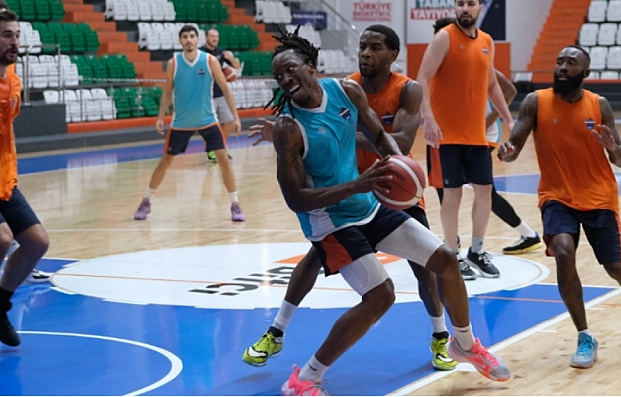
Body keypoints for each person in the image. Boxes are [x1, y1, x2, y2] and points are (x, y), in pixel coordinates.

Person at [264, 27, 510, 395]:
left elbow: (381, 137)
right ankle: (305, 378)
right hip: (330, 221)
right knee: (381, 295)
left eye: (290, 69)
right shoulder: (288, 127)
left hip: (367, 205)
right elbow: (297, 199)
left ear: (311, 68)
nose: (285, 79)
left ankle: (464, 344)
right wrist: (357, 185)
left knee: (445, 259)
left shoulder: (346, 91)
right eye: (278, 75)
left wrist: (399, 165)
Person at [242, 25, 456, 372]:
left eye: (375, 47)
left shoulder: (405, 89)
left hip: (390, 183)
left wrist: (342, 134)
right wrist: (296, 138)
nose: (365, 53)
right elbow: (309, 154)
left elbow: (400, 143)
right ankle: (277, 331)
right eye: (362, 47)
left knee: (427, 265)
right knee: (316, 258)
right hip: (343, 192)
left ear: (392, 55)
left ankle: (440, 335)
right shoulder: (341, 87)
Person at [498, 45, 621, 368]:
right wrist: (508, 151)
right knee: (563, 252)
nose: (562, 67)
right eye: (559, 61)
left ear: (585, 73)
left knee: (615, 267)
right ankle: (584, 335)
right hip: (557, 195)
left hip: (599, 196)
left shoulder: (599, 105)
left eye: (571, 63)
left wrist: (612, 147)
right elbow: (515, 144)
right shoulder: (535, 101)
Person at [417, 0, 514, 280]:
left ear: (479, 7)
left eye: (470, 3)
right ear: (455, 7)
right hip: (447, 134)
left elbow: (492, 85)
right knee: (453, 195)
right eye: (460, 3)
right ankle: (452, 253)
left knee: (484, 192)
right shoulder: (444, 37)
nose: (465, 8)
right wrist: (428, 118)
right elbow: (422, 77)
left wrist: (509, 119)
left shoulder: (486, 41)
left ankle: (477, 251)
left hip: (476, 135)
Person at [427, 17, 542, 261]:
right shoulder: (438, 61)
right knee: (465, 189)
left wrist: (487, 121)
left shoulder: (473, 56)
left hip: (475, 133)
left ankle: (457, 243)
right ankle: (522, 233)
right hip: (452, 132)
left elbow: (509, 90)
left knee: (476, 189)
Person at [133, 25, 245, 221]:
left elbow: (226, 89)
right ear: (180, 41)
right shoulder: (173, 63)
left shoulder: (210, 61)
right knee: (165, 162)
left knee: (224, 160)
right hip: (181, 122)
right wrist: (160, 117)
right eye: (185, 37)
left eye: (192, 36)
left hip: (208, 119)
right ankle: (146, 200)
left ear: (197, 39)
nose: (189, 40)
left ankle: (235, 204)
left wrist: (235, 117)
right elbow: (167, 92)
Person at [0, 9, 51, 347]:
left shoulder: (13, 80)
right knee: (1, 238)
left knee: (36, 243)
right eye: (7, 35)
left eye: (17, 35)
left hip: (3, 180)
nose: (15, 41)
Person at [199, 28, 241, 162]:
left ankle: (221, 146)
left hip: (221, 93)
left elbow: (237, 67)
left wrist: (230, 58)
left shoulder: (221, 52)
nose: (215, 39)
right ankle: (211, 149)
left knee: (229, 120)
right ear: (206, 37)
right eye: (212, 36)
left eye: (216, 37)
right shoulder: (200, 53)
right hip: (206, 94)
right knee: (211, 124)